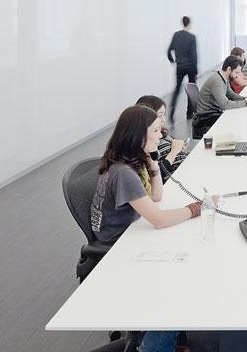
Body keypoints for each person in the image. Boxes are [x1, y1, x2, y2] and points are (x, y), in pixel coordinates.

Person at [90, 105, 208, 352]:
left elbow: (156, 196)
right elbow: (159, 219)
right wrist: (196, 208)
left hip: (127, 237)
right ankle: (152, 347)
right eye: (155, 130)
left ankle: (168, 339)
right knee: (178, 286)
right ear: (138, 135)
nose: (161, 134)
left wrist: (152, 162)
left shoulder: (125, 161)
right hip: (119, 252)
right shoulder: (124, 173)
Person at [192, 56, 247, 139]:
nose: (237, 76)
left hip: (213, 113)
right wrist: (246, 103)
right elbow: (225, 105)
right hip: (206, 119)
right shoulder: (217, 80)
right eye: (236, 73)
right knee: (237, 121)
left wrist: (244, 98)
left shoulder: (224, 77)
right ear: (229, 69)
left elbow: (231, 94)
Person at [134, 95, 189, 177]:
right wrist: (174, 151)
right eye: (160, 116)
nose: (163, 120)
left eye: (164, 115)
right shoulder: (148, 144)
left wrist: (181, 147)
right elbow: (156, 174)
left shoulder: (161, 133)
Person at [166, 16, 197, 122]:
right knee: (191, 89)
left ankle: (171, 113)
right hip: (190, 67)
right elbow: (194, 55)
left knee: (177, 89)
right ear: (189, 24)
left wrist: (172, 60)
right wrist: (195, 70)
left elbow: (169, 50)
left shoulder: (176, 35)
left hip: (180, 66)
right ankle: (189, 113)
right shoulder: (192, 37)